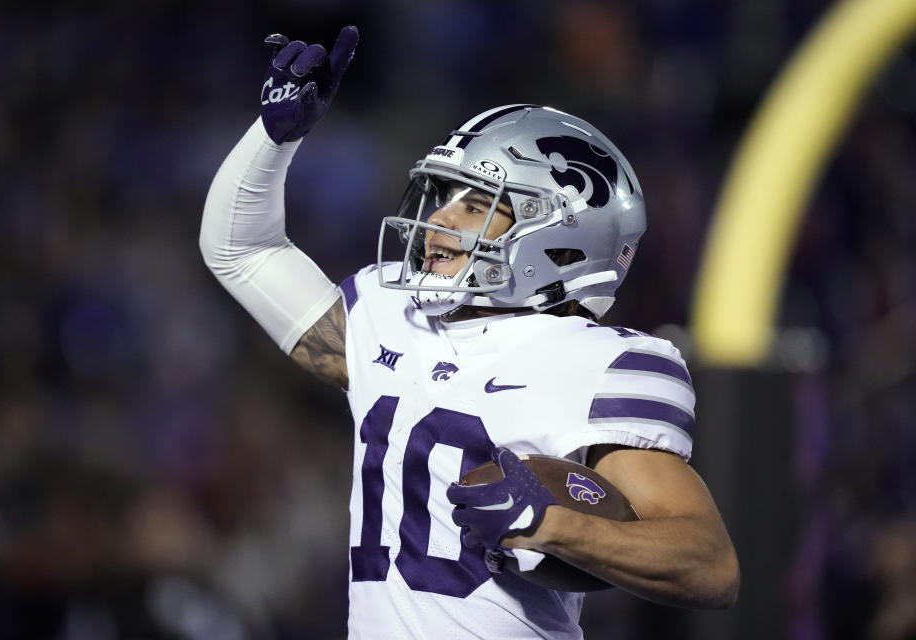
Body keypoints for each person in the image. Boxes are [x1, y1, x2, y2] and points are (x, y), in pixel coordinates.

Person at [200, 25, 739, 639]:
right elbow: (240, 251)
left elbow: (709, 566)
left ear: (560, 236)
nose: (436, 219)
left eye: (476, 204)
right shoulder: (392, 317)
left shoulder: (597, 364)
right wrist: (272, 139)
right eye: (442, 196)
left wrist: (560, 526)